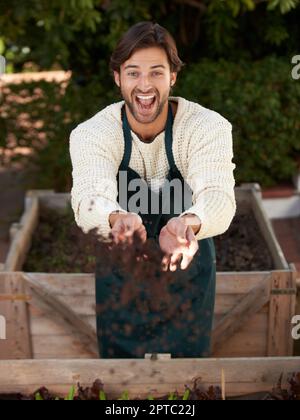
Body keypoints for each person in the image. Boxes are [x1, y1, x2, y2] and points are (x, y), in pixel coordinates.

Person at [70, 21, 236, 358]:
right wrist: (115, 219)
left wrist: (188, 224)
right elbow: (87, 198)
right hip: (121, 275)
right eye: (133, 73)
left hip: (186, 267)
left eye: (156, 72)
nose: (144, 85)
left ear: (172, 76)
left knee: (187, 384)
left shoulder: (207, 127)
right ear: (117, 76)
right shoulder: (92, 134)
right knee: (122, 384)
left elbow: (218, 197)